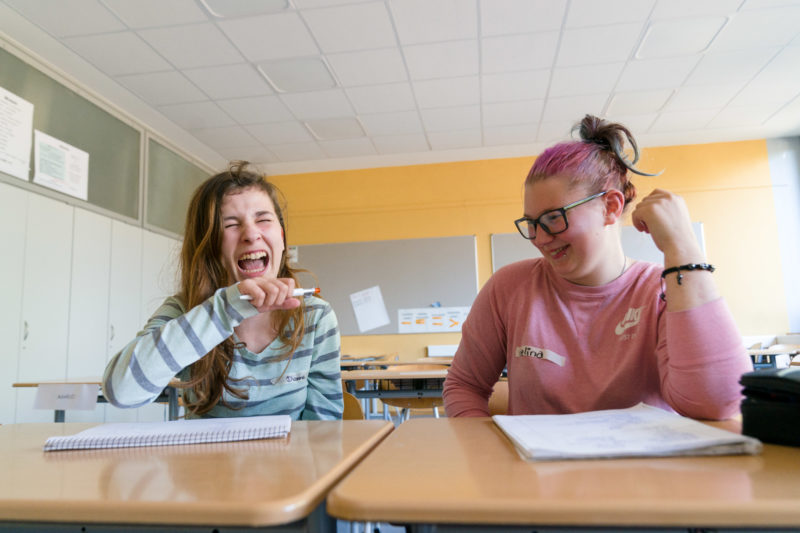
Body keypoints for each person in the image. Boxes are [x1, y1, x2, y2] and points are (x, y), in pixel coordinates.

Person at [443, 115, 752, 420]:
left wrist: (682, 246)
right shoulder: (509, 287)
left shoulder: (662, 288)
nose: (539, 238)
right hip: (536, 470)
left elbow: (718, 403)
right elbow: (464, 386)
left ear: (610, 207)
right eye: (532, 224)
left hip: (647, 469)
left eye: (553, 218)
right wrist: (486, 457)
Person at [102, 162, 343, 419]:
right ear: (209, 246)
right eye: (230, 224)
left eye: (263, 219)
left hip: (290, 459)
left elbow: (323, 428)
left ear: (281, 238)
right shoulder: (188, 309)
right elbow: (120, 392)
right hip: (206, 459)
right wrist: (225, 310)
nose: (251, 234)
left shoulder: (316, 317)